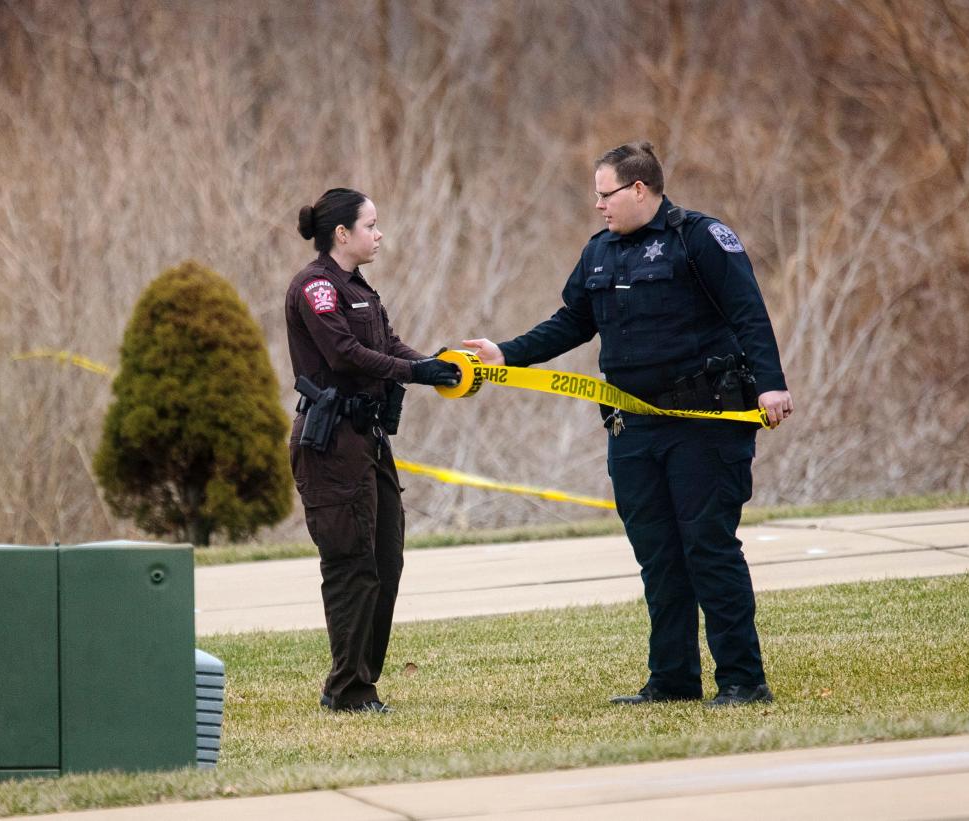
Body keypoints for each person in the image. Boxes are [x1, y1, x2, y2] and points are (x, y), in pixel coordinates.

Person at [464, 142, 793, 707]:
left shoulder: (700, 239)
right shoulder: (599, 253)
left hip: (704, 421)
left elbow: (748, 311)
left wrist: (770, 382)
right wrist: (506, 354)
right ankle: (672, 680)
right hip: (631, 429)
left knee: (708, 549)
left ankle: (742, 679)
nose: (598, 206)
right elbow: (570, 323)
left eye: (605, 193)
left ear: (639, 189)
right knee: (658, 555)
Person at [286, 187, 459, 713]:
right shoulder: (316, 287)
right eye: (371, 225)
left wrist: (436, 365)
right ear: (342, 233)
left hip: (369, 441)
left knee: (386, 559)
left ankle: (363, 682)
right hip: (331, 444)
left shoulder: (359, 289)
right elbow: (344, 355)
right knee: (351, 564)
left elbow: (387, 346)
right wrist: (412, 370)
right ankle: (347, 690)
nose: (379, 234)